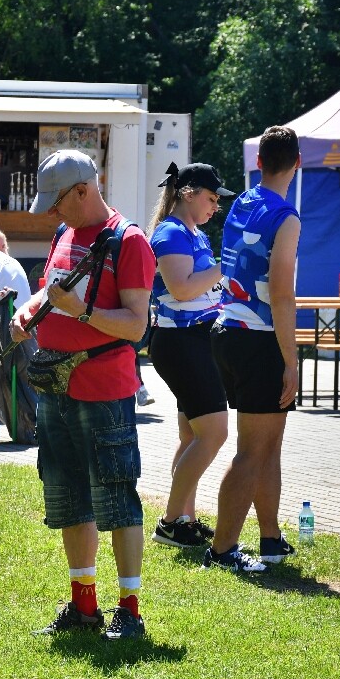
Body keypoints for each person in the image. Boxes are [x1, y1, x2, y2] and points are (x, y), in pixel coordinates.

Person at [10, 149, 155, 640]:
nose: (53, 212)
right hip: (57, 386)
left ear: (83, 191)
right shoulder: (64, 233)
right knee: (70, 497)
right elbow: (51, 291)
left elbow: (137, 326)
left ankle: (130, 610)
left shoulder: (129, 242)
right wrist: (28, 312)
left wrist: (80, 312)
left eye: (58, 202)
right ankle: (83, 603)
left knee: (116, 497)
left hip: (104, 390)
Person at [203, 128, 301, 572]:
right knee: (251, 451)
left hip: (226, 330)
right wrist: (292, 361)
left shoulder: (242, 201)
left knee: (269, 445)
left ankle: (270, 538)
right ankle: (222, 549)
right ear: (297, 164)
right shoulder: (287, 217)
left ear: (258, 161)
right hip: (258, 338)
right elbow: (282, 294)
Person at [145, 162, 232, 550]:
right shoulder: (170, 231)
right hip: (181, 343)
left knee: (192, 436)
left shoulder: (192, 231)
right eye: (212, 198)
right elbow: (181, 289)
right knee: (214, 433)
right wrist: (223, 267)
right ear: (188, 193)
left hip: (194, 340)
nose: (216, 206)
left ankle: (185, 519)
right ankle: (168, 523)